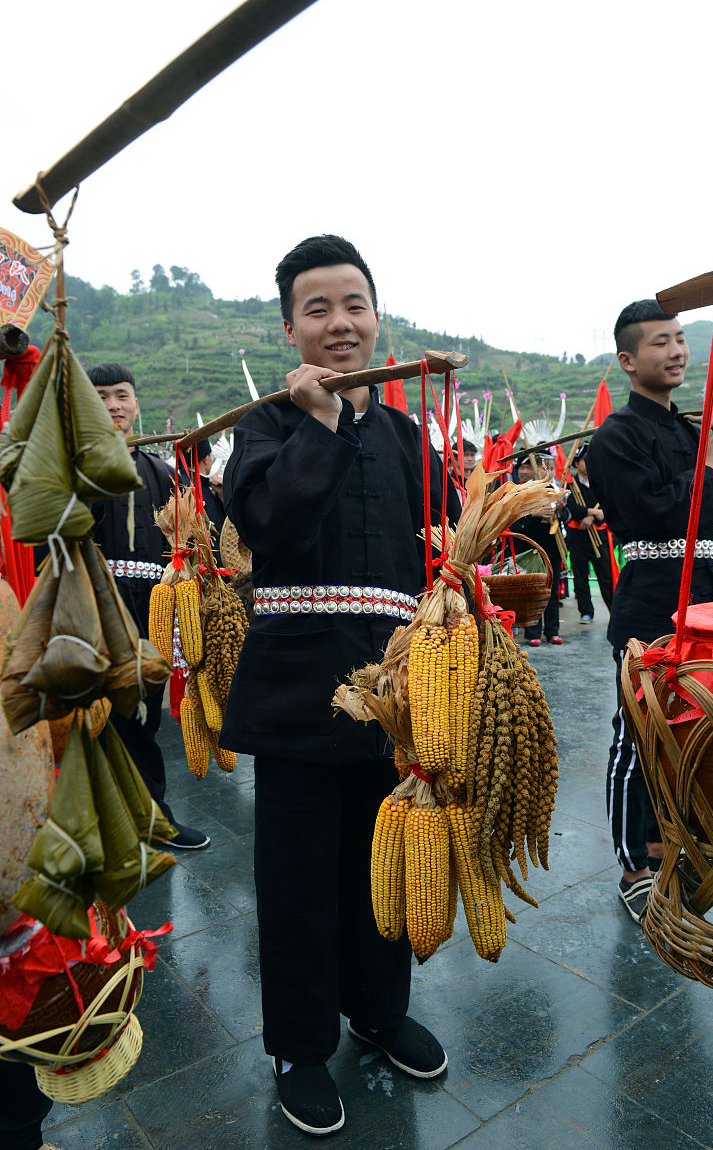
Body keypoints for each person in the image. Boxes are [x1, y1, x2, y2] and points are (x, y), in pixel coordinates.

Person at [221, 235, 457, 1136]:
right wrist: (318, 425)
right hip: (295, 698)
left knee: (384, 865)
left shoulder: (404, 434)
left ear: (377, 317)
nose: (339, 323)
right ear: (290, 328)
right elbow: (273, 527)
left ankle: (378, 1010)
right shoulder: (266, 427)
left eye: (352, 304)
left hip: (396, 699)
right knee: (296, 881)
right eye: (316, 309)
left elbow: (443, 536)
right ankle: (300, 1046)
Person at [585, 300, 713, 924]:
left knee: (696, 729)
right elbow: (659, 512)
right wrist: (708, 464)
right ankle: (636, 863)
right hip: (652, 597)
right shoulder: (614, 437)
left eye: (682, 339)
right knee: (640, 731)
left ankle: (677, 848)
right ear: (629, 360)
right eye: (662, 342)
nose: (678, 351)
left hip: (709, 594)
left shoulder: (688, 431)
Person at [87, 363, 209, 851]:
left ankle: (152, 816)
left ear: (136, 404)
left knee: (144, 717)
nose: (114, 404)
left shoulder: (161, 471)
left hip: (151, 610)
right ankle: (94, 826)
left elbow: (185, 542)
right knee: (94, 719)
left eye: (121, 395)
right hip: (94, 611)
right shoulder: (74, 466)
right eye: (101, 396)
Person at [510, 456, 566, 645]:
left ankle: (552, 630)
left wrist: (560, 509)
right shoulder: (523, 491)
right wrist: (534, 513)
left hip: (552, 545)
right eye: (543, 468)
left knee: (551, 587)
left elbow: (565, 516)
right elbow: (513, 520)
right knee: (533, 587)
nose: (546, 472)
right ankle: (533, 632)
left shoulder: (554, 490)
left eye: (550, 468)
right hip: (530, 546)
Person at [564, 444, 614, 623]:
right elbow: (573, 509)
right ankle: (586, 611)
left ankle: (613, 610)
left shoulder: (600, 482)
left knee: (606, 576)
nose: (588, 463)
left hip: (598, 537)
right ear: (576, 463)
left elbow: (608, 506)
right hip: (578, 536)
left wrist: (592, 518)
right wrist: (593, 513)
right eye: (585, 460)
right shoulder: (570, 483)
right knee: (580, 576)